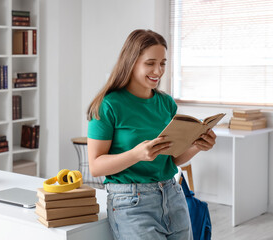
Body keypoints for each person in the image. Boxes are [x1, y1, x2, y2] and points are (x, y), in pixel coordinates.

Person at [86, 29, 217, 240]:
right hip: (131, 202)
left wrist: (197, 146)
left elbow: (174, 158)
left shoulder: (166, 103)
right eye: (150, 63)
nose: (158, 70)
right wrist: (135, 154)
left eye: (163, 63)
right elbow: (95, 166)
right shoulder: (108, 105)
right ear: (131, 62)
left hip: (172, 194)